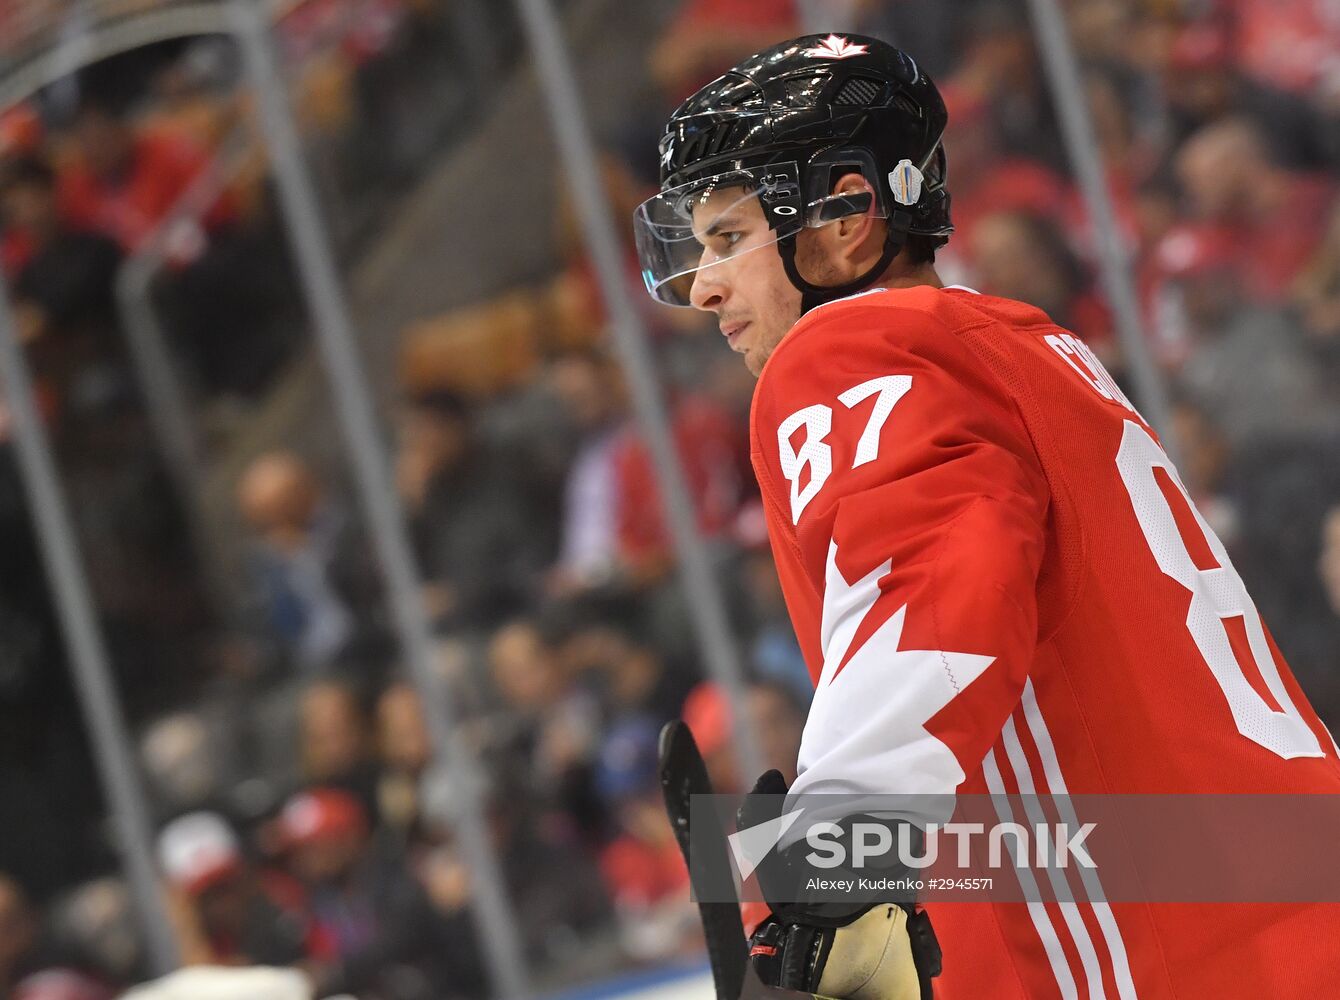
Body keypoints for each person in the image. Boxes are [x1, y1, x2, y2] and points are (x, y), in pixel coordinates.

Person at [633, 33, 1340, 1000]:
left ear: (846, 218)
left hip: (1181, 955)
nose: (704, 285)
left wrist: (833, 864)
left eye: (728, 240)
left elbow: (935, 587)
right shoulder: (1024, 344)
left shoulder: (852, 347)